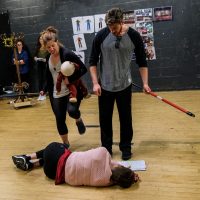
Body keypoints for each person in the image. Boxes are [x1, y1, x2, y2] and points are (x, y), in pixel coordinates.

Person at [89, 8, 151, 160]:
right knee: (105, 119)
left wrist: (145, 83)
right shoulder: (101, 36)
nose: (113, 31)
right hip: (105, 86)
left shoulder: (134, 36)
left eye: (115, 28)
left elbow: (142, 62)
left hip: (124, 85)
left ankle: (126, 148)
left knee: (125, 118)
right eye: (110, 28)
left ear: (122, 22)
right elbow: (92, 61)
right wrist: (95, 83)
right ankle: (106, 149)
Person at [12, 142, 140, 188]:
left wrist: (131, 173)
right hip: (52, 174)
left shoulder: (103, 154)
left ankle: (28, 156)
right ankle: (32, 165)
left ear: (120, 167)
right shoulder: (106, 182)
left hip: (57, 157)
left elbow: (111, 162)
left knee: (55, 147)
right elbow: (114, 171)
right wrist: (128, 178)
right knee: (54, 159)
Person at [41, 26, 87, 145]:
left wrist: (70, 79)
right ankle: (66, 143)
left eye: (53, 45)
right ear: (45, 48)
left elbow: (83, 69)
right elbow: (49, 76)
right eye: (48, 47)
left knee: (72, 111)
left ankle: (78, 119)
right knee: (59, 118)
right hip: (56, 93)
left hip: (71, 91)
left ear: (57, 42)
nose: (51, 49)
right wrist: (43, 89)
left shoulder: (67, 54)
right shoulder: (48, 58)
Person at [34, 34, 49, 100]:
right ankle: (40, 93)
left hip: (45, 64)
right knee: (40, 79)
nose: (41, 40)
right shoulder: (38, 47)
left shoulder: (47, 47)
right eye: (40, 39)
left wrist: (45, 60)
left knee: (46, 78)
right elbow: (34, 55)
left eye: (42, 39)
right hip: (39, 64)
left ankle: (44, 93)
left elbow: (49, 57)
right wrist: (35, 58)